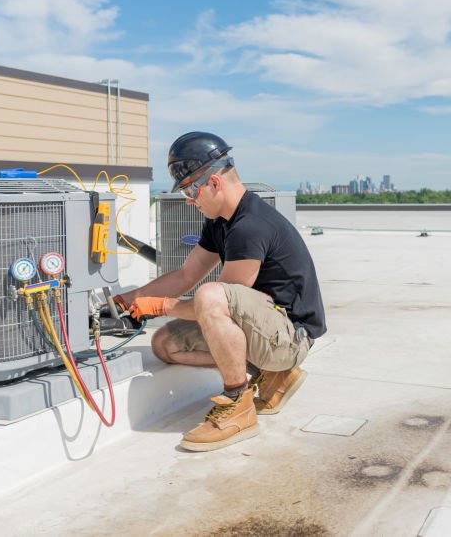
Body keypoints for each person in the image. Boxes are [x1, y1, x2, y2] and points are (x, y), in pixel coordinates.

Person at [115, 131, 326, 452]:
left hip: (288, 339)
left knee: (211, 295)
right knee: (165, 344)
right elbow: (186, 274)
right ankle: (274, 376)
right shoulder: (220, 221)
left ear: (214, 183)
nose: (188, 200)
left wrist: (157, 306)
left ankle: (237, 402)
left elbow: (218, 302)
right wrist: (129, 301)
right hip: (265, 330)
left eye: (189, 190)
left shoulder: (250, 226)